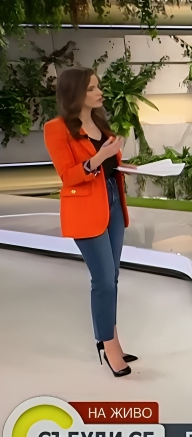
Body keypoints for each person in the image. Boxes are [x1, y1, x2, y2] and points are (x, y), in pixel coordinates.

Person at [44, 67, 138, 377]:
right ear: (75, 94)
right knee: (103, 279)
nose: (99, 92)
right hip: (86, 208)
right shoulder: (56, 129)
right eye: (91, 88)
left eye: (98, 87)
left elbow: (109, 167)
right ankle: (108, 346)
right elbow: (68, 176)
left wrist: (124, 165)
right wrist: (98, 158)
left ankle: (113, 340)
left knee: (113, 277)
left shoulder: (100, 123)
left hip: (112, 201)